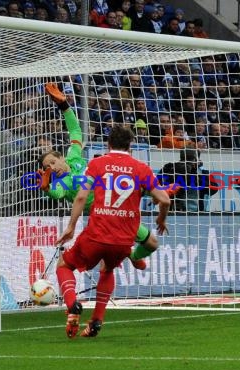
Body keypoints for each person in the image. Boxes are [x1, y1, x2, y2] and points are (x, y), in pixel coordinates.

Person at [55, 125, 170, 338]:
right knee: (107, 269)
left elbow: (81, 197)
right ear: (131, 146)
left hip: (97, 233)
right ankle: (96, 320)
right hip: (123, 239)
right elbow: (164, 199)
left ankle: (72, 304)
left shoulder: (97, 164)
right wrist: (161, 219)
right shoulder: (141, 168)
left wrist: (71, 226)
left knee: (64, 265)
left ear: (108, 145)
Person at [38, 82, 158, 270]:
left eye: (53, 163)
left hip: (116, 209)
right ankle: (126, 256)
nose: (52, 168)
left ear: (62, 158)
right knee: (106, 266)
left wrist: (64, 106)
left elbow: (75, 131)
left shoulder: (74, 155)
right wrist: (46, 189)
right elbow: (57, 193)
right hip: (100, 218)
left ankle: (132, 255)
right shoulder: (64, 183)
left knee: (151, 243)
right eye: (47, 168)